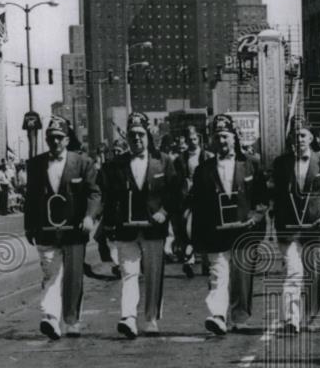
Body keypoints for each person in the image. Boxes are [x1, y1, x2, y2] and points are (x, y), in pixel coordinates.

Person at [98, 112, 177, 338]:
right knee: (129, 273)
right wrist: (110, 225)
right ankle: (128, 317)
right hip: (126, 229)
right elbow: (109, 197)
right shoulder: (116, 165)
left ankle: (151, 318)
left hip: (154, 228)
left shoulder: (163, 161)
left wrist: (164, 211)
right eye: (132, 135)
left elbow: (175, 191)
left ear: (148, 135)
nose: (137, 139)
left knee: (153, 274)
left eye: (141, 134)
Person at [189, 114, 268, 335]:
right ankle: (218, 315)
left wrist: (256, 216)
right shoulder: (203, 169)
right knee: (218, 274)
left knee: (242, 276)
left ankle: (240, 316)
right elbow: (198, 204)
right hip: (216, 232)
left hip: (245, 230)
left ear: (234, 137)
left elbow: (262, 197)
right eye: (217, 137)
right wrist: (196, 239)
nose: (221, 142)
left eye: (225, 136)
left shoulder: (252, 164)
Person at [23, 116, 101, 340]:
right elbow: (31, 197)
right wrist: (29, 226)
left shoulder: (83, 162)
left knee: (73, 277)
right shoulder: (36, 164)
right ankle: (50, 318)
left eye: (59, 138)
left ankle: (71, 319)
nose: (54, 142)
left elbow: (94, 192)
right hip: (46, 229)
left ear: (67, 140)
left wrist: (89, 217)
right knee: (50, 273)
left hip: (74, 230)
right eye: (50, 138)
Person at [271, 121, 320, 333]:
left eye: (303, 135)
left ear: (310, 138)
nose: (299, 140)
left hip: (314, 227)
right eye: (295, 135)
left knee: (313, 274)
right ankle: (291, 319)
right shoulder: (281, 163)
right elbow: (274, 194)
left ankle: (309, 317)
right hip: (288, 227)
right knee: (293, 271)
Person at [172, 125, 214, 278]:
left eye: (195, 139)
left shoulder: (207, 156)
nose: (193, 142)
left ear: (199, 140)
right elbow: (176, 178)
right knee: (187, 229)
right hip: (187, 197)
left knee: (204, 229)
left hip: (203, 197)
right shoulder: (180, 159)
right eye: (190, 139)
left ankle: (205, 263)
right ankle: (188, 261)